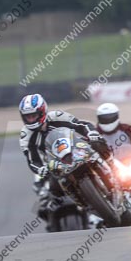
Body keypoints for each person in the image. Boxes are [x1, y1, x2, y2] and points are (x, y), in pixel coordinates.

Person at [18, 94, 110, 229]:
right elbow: (32, 160)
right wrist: (40, 169)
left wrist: (91, 133)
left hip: (76, 150)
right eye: (27, 116)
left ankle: (112, 172)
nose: (31, 119)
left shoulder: (57, 116)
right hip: (54, 164)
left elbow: (81, 124)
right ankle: (82, 204)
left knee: (98, 146)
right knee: (45, 197)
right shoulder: (26, 135)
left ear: (42, 111)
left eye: (34, 115)